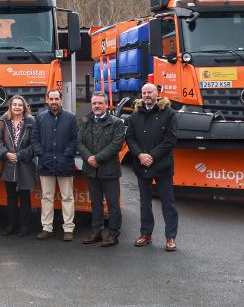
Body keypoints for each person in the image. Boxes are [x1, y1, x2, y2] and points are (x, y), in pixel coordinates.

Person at [125, 82, 179, 252]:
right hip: (142, 165)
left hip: (162, 166)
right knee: (145, 202)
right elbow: (130, 138)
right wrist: (140, 155)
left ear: (157, 94)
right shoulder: (134, 116)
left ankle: (170, 237)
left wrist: (151, 156)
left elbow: (170, 140)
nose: (147, 95)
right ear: (141, 95)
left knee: (168, 202)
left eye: (150, 92)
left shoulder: (169, 113)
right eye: (144, 93)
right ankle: (146, 234)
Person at [77, 92, 125, 247]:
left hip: (109, 171)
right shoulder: (85, 121)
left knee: (113, 205)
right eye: (94, 103)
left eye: (100, 103)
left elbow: (116, 145)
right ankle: (96, 232)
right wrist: (89, 158)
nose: (96, 106)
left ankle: (113, 235)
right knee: (95, 203)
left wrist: (97, 158)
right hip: (91, 170)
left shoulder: (116, 123)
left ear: (106, 105)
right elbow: (79, 142)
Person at [32, 88, 79, 241]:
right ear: (47, 100)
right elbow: (35, 139)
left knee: (67, 197)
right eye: (51, 99)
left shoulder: (71, 118)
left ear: (61, 100)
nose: (54, 102)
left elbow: (76, 140)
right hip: (46, 164)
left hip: (65, 164)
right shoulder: (40, 118)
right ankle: (47, 227)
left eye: (56, 99)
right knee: (46, 197)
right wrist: (41, 154)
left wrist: (67, 155)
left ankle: (68, 229)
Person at [0, 95, 36, 237]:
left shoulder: (31, 121)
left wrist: (20, 155)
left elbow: (35, 144)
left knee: (24, 197)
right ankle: (11, 225)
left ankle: (25, 226)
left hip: (25, 164)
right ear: (10, 107)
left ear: (24, 107)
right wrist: (6, 154)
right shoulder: (3, 121)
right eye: (14, 105)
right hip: (9, 164)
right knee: (11, 197)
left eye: (20, 105)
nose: (17, 107)